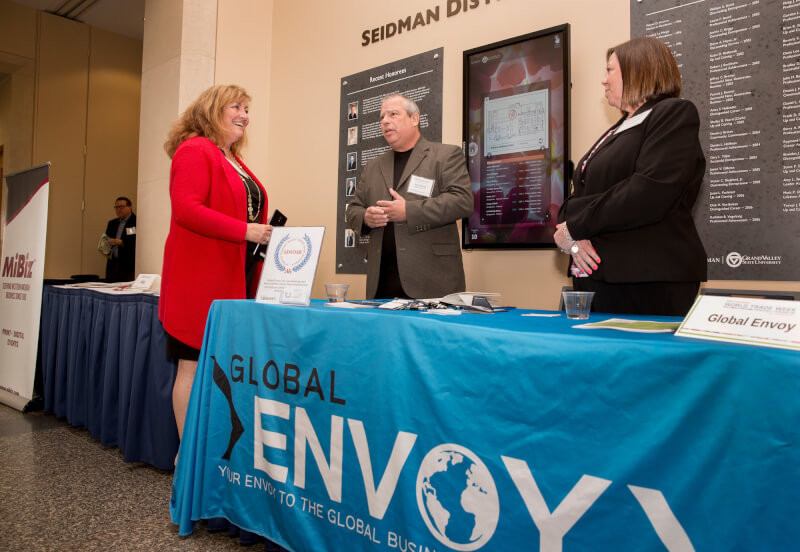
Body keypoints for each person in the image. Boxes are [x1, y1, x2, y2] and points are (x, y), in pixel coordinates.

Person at [554, 37, 706, 316]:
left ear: (639, 70)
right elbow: (580, 194)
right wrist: (572, 236)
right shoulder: (618, 129)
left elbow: (648, 191)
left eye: (610, 70)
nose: (603, 80)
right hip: (598, 278)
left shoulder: (673, 114)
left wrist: (575, 226)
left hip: (648, 277)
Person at [159, 84, 272, 443]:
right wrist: (247, 231)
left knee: (220, 368)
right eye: (235, 106)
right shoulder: (195, 149)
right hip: (200, 280)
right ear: (212, 110)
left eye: (247, 108)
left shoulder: (233, 159)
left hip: (233, 277)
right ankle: (186, 457)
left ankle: (210, 450)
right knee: (191, 367)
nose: (244, 114)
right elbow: (188, 211)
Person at [346, 93, 474, 299]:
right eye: (381, 117)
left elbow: (462, 201)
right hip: (382, 283)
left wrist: (408, 211)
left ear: (414, 119)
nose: (385, 120)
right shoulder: (373, 166)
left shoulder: (445, 155)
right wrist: (366, 218)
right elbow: (353, 209)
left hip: (431, 282)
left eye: (393, 114)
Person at [104, 197, 136, 282]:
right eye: (117, 207)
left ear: (130, 207)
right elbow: (106, 240)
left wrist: (122, 242)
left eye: (122, 207)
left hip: (129, 266)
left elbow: (137, 242)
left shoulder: (136, 222)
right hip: (113, 265)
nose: (119, 210)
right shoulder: (112, 223)